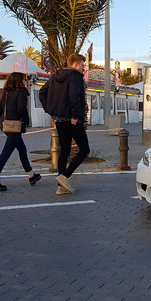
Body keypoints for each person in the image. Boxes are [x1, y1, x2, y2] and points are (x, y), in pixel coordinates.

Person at [39, 53, 90, 195]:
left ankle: (61, 187)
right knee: (85, 150)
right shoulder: (75, 77)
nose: (83, 67)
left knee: (65, 151)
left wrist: (50, 110)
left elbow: (42, 92)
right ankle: (64, 176)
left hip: (60, 120)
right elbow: (74, 96)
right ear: (75, 64)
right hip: (72, 120)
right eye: (82, 64)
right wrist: (75, 115)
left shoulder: (56, 76)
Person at [0, 72, 41, 191]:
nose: (24, 82)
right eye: (23, 80)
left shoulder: (6, 93)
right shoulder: (21, 91)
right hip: (15, 127)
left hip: (7, 126)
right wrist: (26, 121)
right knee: (5, 153)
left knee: (22, 150)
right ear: (19, 81)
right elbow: (21, 108)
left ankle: (31, 176)